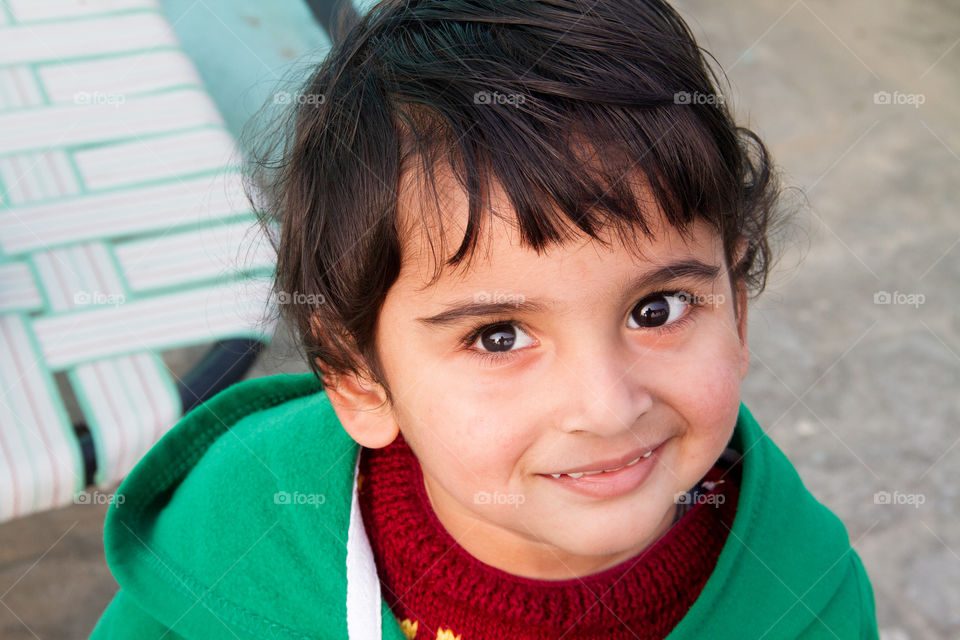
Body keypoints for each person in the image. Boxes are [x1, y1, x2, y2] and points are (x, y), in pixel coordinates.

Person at [90, 0, 879, 638]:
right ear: (358, 377)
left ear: (737, 308)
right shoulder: (244, 525)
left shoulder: (806, 599)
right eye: (498, 336)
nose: (607, 406)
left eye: (656, 309)